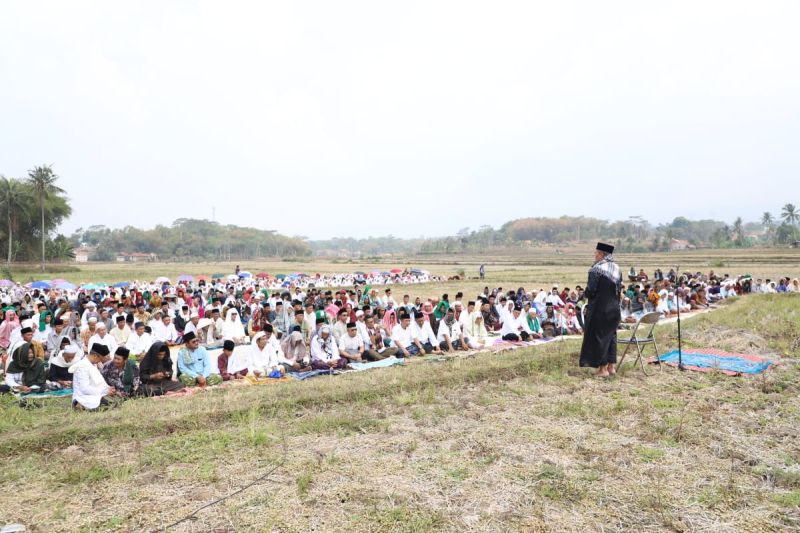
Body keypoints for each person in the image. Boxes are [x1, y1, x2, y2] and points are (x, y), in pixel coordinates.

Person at [579, 242, 622, 378]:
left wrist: (584, 295)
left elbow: (591, 291)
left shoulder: (595, 270)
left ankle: (602, 369)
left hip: (600, 309)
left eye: (596, 253)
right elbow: (619, 290)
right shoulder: (617, 269)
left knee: (600, 337)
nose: (595, 255)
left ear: (602, 254)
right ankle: (611, 367)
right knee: (611, 336)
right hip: (614, 309)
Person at [70, 345, 115, 410]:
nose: (99, 361)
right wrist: (104, 391)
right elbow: (85, 389)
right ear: (95, 356)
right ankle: (79, 405)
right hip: (83, 397)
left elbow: (97, 383)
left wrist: (107, 389)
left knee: (114, 402)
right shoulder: (82, 367)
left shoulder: (92, 364)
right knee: (109, 405)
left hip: (93, 394)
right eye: (100, 359)